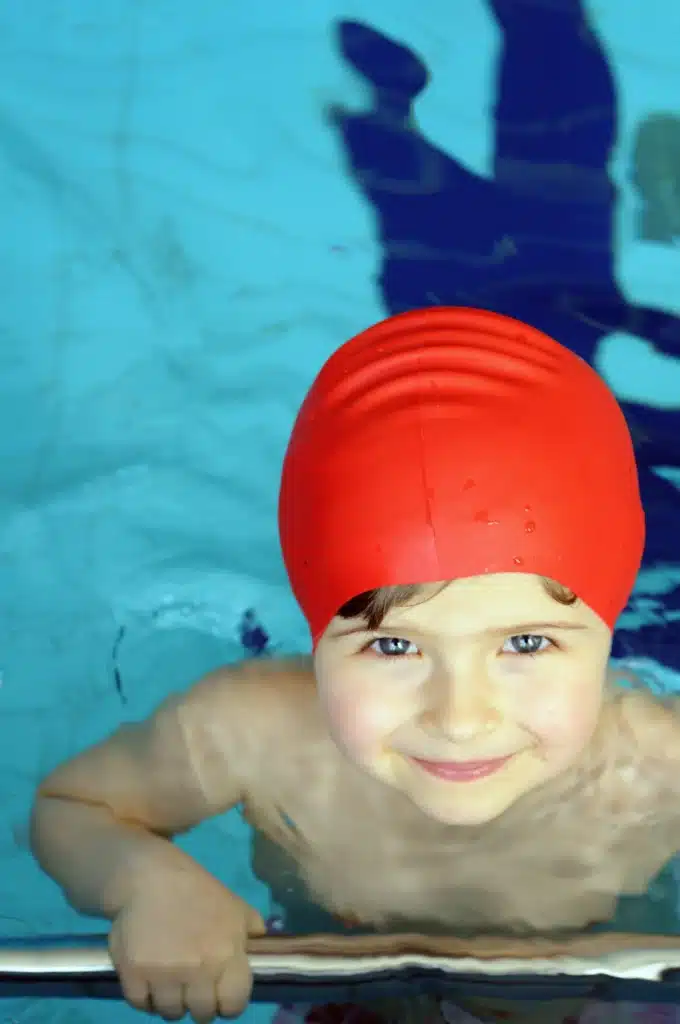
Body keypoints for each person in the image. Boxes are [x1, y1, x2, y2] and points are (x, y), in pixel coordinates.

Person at [30, 308, 680, 1024]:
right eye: (394, 646)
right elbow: (74, 810)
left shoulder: (656, 764)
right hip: (342, 993)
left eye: (526, 644)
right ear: (316, 634)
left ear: (607, 630)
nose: (460, 718)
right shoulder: (254, 732)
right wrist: (147, 882)